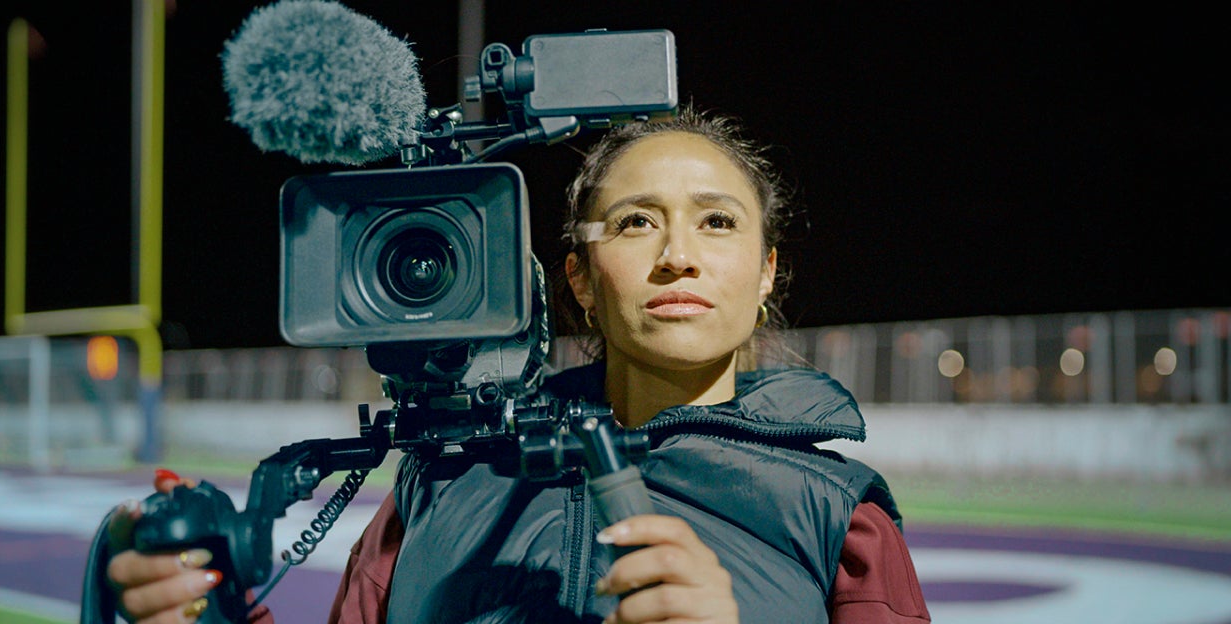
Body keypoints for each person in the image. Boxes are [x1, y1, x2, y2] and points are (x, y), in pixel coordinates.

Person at [106, 108, 931, 624]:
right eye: (637, 222)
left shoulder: (842, 520)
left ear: (765, 275)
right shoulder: (439, 483)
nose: (680, 255)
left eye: (717, 223)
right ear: (577, 279)